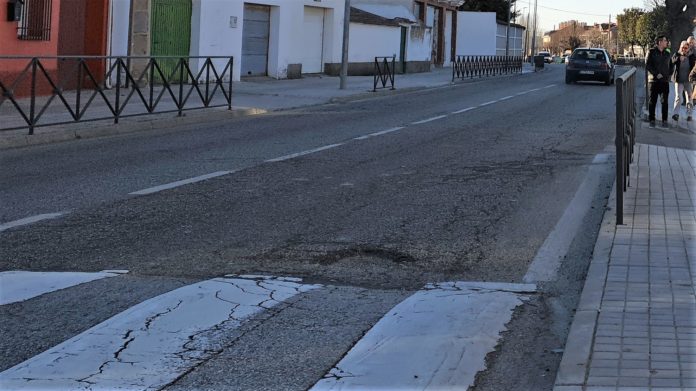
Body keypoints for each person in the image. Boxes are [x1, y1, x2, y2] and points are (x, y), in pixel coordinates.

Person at [646, 36, 672, 127]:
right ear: (660, 42)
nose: (666, 42)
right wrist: (656, 74)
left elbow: (671, 65)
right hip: (654, 81)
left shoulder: (667, 52)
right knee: (652, 101)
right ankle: (652, 119)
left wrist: (669, 74)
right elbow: (648, 65)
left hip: (665, 81)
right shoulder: (652, 52)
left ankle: (664, 120)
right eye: (665, 40)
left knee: (665, 101)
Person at [671, 41, 695, 122]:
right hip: (679, 80)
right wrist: (678, 58)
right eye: (683, 48)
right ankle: (675, 114)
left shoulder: (691, 56)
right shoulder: (677, 54)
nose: (684, 49)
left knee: (689, 98)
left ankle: (689, 115)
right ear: (680, 47)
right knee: (679, 97)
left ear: (688, 48)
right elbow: (672, 61)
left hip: (688, 81)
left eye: (686, 48)